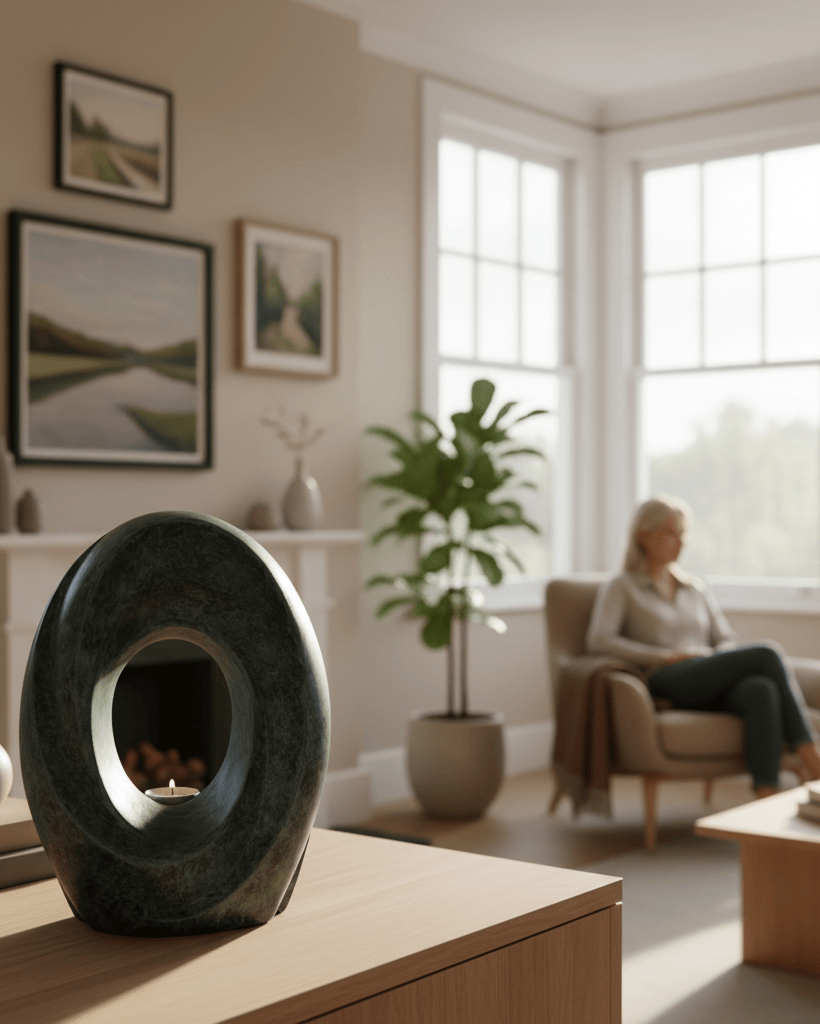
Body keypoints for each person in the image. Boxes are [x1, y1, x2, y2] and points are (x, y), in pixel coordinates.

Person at [586, 495, 820, 797]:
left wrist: (724, 660)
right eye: (670, 533)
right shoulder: (622, 586)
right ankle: (814, 762)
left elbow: (724, 638)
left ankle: (766, 795)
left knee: (760, 688)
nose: (680, 542)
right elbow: (598, 640)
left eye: (683, 534)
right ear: (643, 535)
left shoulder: (694, 588)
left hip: (707, 675)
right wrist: (665, 657)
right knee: (768, 652)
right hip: (666, 679)